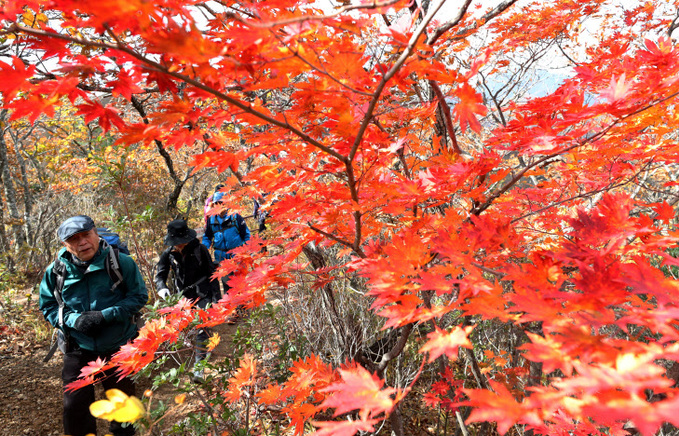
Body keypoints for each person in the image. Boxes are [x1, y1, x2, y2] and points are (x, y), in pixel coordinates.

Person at [39, 215, 148, 436]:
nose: (82, 242)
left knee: (123, 406)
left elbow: (138, 296)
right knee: (75, 408)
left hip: (118, 345)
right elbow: (48, 305)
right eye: (74, 239)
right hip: (78, 346)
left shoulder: (121, 262)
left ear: (96, 233)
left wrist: (105, 316)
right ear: (65, 245)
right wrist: (74, 320)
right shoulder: (55, 271)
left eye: (86, 235)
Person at [154, 219, 221, 381]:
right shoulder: (168, 254)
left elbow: (212, 274)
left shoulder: (200, 249)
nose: (179, 245)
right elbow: (160, 275)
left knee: (201, 328)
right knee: (187, 329)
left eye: (182, 242)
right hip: (182, 299)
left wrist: (216, 298)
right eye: (176, 242)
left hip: (202, 294)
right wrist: (162, 288)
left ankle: (199, 369)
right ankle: (204, 349)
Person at [202, 190, 250, 295]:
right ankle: (233, 310)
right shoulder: (211, 220)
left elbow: (246, 235)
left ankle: (245, 309)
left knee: (241, 285)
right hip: (221, 258)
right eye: (216, 203)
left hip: (237, 256)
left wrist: (246, 252)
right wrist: (204, 248)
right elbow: (207, 237)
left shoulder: (235, 216)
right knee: (227, 286)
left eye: (221, 203)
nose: (219, 205)